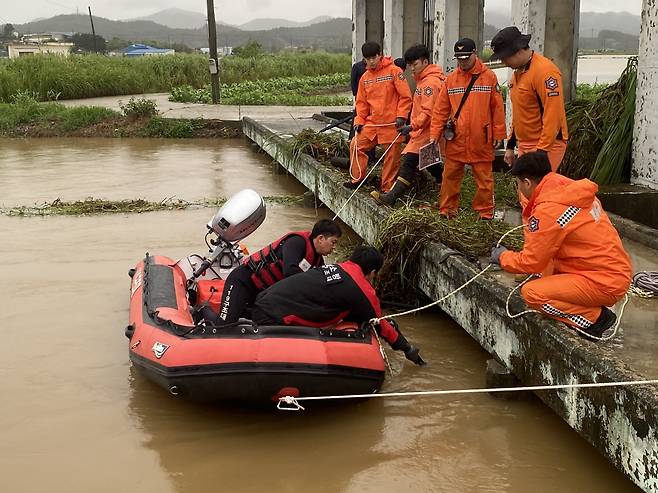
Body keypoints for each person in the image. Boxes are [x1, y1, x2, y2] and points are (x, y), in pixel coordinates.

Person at [490, 152, 632, 339]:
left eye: (518, 183)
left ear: (527, 183)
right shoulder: (569, 191)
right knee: (544, 275)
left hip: (603, 282)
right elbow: (549, 254)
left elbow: (531, 262)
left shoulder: (549, 209)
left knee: (533, 294)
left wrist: (502, 257)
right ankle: (590, 306)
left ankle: (595, 319)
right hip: (611, 272)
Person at [252, 245, 425, 365]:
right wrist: (407, 348)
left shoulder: (338, 268)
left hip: (263, 301)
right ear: (372, 272)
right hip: (272, 318)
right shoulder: (361, 288)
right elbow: (381, 324)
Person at [201, 219, 342, 325]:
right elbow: (290, 271)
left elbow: (321, 281)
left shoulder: (317, 259)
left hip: (261, 293)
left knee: (260, 320)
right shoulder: (297, 243)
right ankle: (204, 310)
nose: (334, 248)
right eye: (333, 242)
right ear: (321, 238)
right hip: (243, 282)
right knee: (225, 325)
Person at [491, 26, 569, 208]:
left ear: (518, 50)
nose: (503, 62)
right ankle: (531, 235)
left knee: (539, 195)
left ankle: (542, 233)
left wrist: (541, 153)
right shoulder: (516, 76)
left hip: (548, 145)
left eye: (504, 57)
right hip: (525, 143)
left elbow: (553, 114)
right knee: (525, 196)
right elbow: (519, 115)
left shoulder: (545, 72)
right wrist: (510, 145)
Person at [428, 38, 506, 220]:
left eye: (466, 57)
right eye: (459, 58)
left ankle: (485, 213)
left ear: (475, 54)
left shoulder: (489, 77)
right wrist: (434, 135)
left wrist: (499, 133)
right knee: (450, 177)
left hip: (481, 138)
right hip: (457, 139)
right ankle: (447, 210)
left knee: (484, 180)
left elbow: (497, 108)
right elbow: (440, 110)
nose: (463, 62)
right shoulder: (451, 80)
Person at [371, 44, 446, 206]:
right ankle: (445, 187)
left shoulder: (429, 84)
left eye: (415, 64)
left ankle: (391, 197)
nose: (411, 68)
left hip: (427, 131)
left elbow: (428, 112)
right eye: (410, 65)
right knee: (430, 163)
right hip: (425, 130)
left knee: (410, 162)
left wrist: (411, 126)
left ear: (425, 62)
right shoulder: (425, 80)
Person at [345, 41, 413, 193]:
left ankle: (387, 188)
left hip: (391, 125)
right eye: (367, 59)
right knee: (356, 145)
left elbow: (405, 96)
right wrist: (359, 121)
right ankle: (358, 179)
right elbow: (361, 103)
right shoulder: (365, 78)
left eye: (373, 58)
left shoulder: (394, 71)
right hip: (372, 125)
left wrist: (402, 116)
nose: (371, 61)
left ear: (380, 54)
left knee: (392, 157)